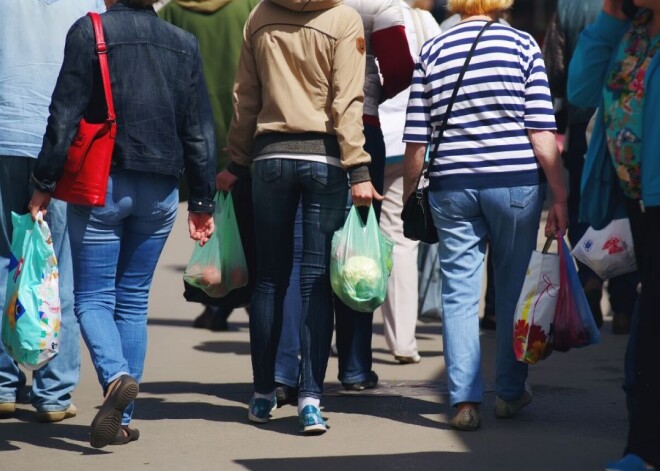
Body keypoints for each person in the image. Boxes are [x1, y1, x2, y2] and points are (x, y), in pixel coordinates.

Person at [28, 0, 216, 448]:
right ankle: (123, 418)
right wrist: (203, 200)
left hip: (101, 183)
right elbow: (198, 128)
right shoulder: (183, 43)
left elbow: (64, 114)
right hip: (161, 188)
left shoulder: (89, 31)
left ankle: (114, 379)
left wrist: (44, 181)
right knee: (132, 300)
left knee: (92, 297)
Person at [403, 0, 568, 431]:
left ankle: (464, 402)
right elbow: (540, 131)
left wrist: (408, 194)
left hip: (451, 186)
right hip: (514, 183)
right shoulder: (521, 46)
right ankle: (510, 394)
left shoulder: (434, 49)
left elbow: (417, 140)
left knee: (459, 292)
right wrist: (560, 194)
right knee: (512, 287)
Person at [216, 0, 379, 435]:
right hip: (325, 160)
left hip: (270, 158)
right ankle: (310, 399)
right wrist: (359, 168)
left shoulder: (260, 15)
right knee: (315, 279)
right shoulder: (343, 18)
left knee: (269, 279)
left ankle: (263, 394)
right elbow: (348, 100)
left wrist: (237, 160)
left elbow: (244, 97)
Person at [0, 0, 105, 424]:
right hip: (61, 139)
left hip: (6, 130)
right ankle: (54, 391)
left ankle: (4, 383)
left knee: (7, 259)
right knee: (58, 264)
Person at [568, 1, 660, 469]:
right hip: (635, 200)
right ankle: (641, 448)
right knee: (646, 330)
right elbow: (581, 88)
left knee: (647, 331)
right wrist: (608, 17)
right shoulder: (631, 33)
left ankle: (641, 449)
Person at [159, 0, 260, 332]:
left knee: (208, 219)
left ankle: (218, 299)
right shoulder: (247, 5)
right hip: (241, 125)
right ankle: (240, 297)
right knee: (244, 218)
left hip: (195, 126)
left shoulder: (174, 10)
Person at [544, 0, 639, 335]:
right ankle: (625, 304)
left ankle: (591, 279)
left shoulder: (568, 7)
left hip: (585, 124)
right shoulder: (636, 11)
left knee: (587, 205)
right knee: (627, 212)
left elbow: (555, 69)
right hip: (628, 124)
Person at [334, 0, 414, 391]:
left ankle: (291, 370)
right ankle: (353, 366)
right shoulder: (380, 4)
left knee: (310, 251)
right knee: (359, 250)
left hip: (305, 131)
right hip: (362, 127)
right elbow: (400, 66)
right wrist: (374, 92)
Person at [379, 0, 440, 364]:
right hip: (409, 141)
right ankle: (403, 341)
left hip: (362, 136)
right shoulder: (423, 19)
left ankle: (341, 331)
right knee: (400, 241)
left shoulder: (354, 10)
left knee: (343, 234)